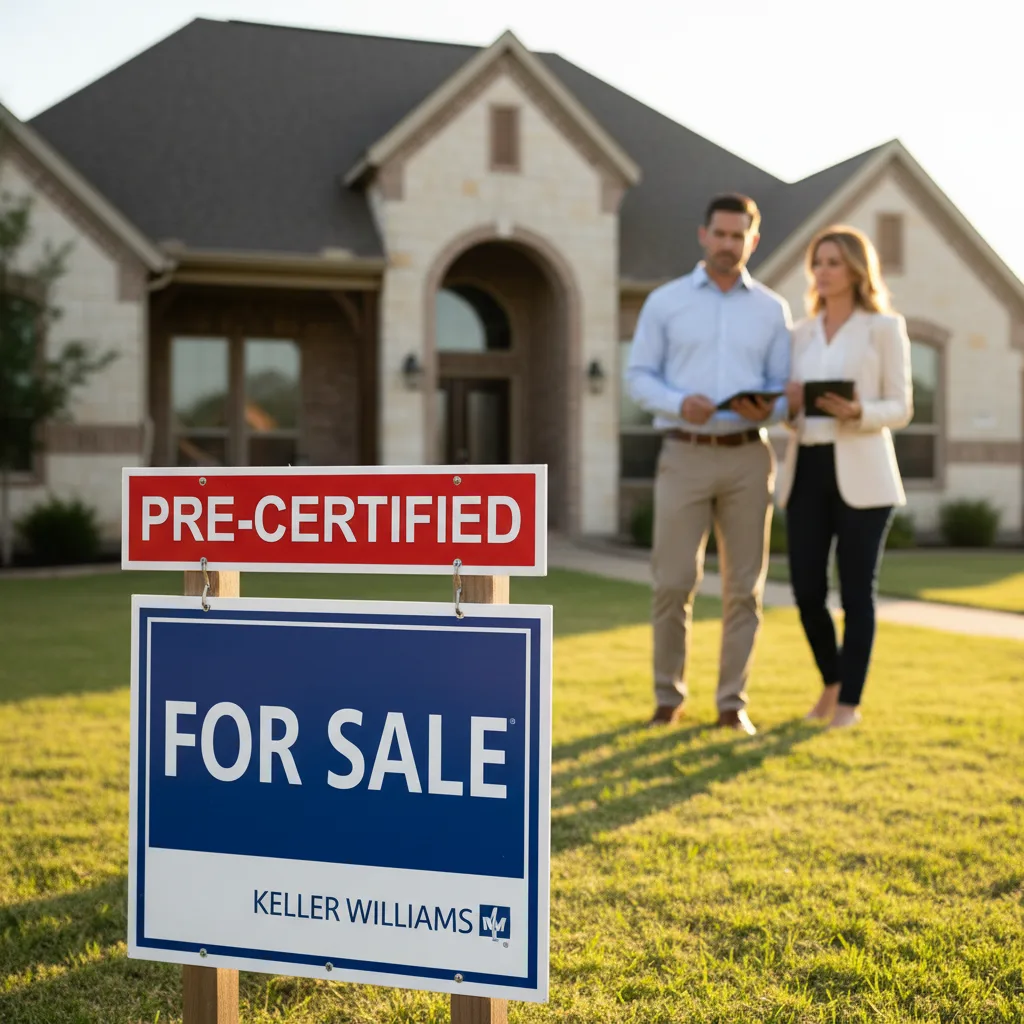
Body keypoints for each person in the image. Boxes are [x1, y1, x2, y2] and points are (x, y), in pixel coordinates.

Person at [626, 193, 792, 736]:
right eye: (719, 235)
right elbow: (638, 377)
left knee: (745, 587)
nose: (727, 245)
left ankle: (730, 704)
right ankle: (666, 698)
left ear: (752, 240)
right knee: (673, 581)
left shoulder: (772, 309)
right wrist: (679, 402)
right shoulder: (666, 302)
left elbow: (786, 394)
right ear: (703, 236)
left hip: (748, 454)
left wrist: (769, 405)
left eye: (737, 236)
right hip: (684, 451)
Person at [776, 225, 913, 730]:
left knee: (857, 593)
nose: (823, 271)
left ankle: (848, 704)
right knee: (807, 590)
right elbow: (791, 411)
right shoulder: (800, 334)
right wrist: (790, 407)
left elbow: (901, 406)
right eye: (818, 262)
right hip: (807, 467)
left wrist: (859, 410)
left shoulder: (883, 327)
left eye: (833, 261)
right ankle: (831, 682)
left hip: (864, 473)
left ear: (856, 269)